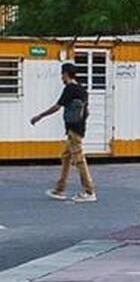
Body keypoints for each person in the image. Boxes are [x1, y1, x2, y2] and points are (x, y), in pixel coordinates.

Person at [30, 62, 96, 202]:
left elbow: (57, 107)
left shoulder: (69, 89)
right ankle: (60, 189)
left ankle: (89, 191)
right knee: (66, 156)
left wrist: (39, 116)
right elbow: (87, 112)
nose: (61, 77)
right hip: (79, 128)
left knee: (78, 159)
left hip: (73, 130)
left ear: (66, 74)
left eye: (62, 74)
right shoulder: (82, 90)